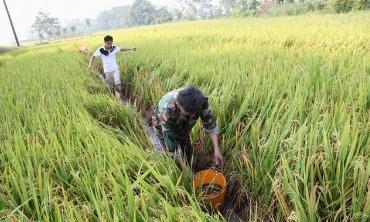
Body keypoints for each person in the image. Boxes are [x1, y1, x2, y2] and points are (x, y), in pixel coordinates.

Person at [152, 86, 224, 168]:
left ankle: (189, 164)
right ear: (178, 105)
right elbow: (171, 143)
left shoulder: (200, 100)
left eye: (195, 112)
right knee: (171, 155)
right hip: (161, 124)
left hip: (182, 119)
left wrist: (216, 149)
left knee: (187, 150)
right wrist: (185, 169)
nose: (193, 115)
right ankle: (175, 171)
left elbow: (211, 125)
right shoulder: (166, 111)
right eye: (189, 113)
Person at [88, 35, 136, 99]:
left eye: (111, 43)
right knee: (111, 86)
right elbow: (92, 56)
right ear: (105, 43)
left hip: (115, 69)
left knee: (118, 82)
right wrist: (90, 65)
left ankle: (121, 97)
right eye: (108, 43)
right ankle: (114, 97)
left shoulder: (114, 48)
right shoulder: (101, 50)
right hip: (107, 71)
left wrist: (131, 49)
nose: (109, 45)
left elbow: (121, 49)